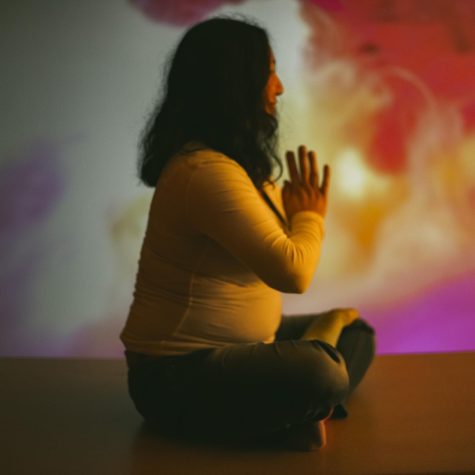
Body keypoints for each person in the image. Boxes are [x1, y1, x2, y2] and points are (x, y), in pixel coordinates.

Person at [120, 16, 375, 451]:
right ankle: (303, 402)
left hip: (248, 350)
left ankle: (299, 410)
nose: (279, 88)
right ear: (235, 82)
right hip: (175, 377)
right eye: (269, 71)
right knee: (322, 370)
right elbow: (293, 274)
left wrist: (298, 212)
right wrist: (310, 216)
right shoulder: (203, 171)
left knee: (358, 335)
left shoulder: (240, 170)